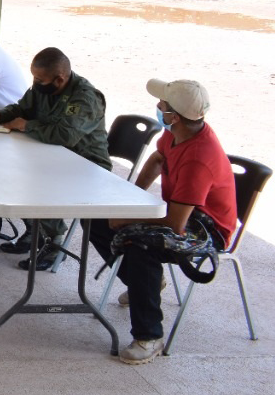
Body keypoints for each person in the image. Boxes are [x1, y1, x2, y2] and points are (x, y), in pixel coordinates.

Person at [89, 78, 237, 364]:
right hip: (182, 212)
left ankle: (149, 336)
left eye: (163, 105)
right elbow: (158, 159)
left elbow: (176, 224)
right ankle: (145, 284)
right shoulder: (175, 134)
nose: (158, 106)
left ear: (174, 116)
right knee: (96, 219)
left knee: (142, 245)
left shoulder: (199, 158)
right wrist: (132, 197)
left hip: (206, 227)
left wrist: (129, 218)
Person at [0, 47, 111, 271]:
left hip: (85, 165)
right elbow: (22, 108)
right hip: (51, 154)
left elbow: (65, 135)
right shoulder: (43, 87)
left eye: (40, 79)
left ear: (59, 79)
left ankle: (53, 243)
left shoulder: (85, 98)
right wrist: (0, 115)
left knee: (39, 181)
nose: (35, 83)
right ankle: (35, 231)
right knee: (9, 170)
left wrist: (26, 125)